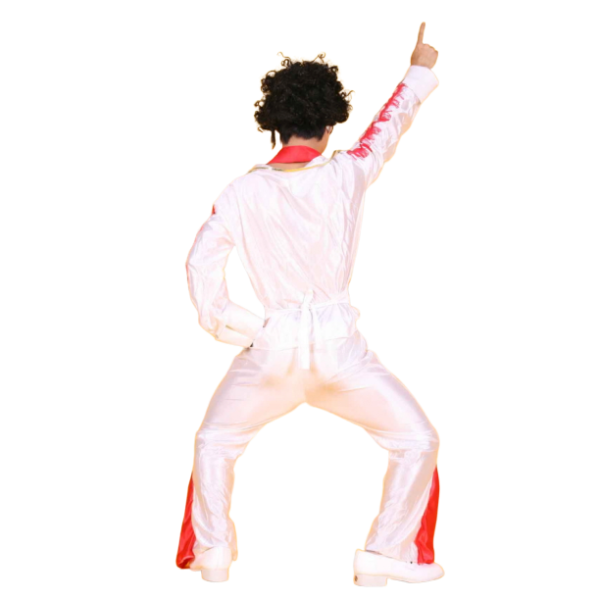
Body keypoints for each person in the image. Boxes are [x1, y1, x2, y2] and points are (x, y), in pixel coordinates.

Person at [177, 22, 443, 587]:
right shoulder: (347, 173)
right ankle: (385, 554)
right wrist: (418, 69)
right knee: (418, 440)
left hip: (271, 350)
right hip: (341, 351)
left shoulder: (239, 192)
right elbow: (387, 127)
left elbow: (199, 266)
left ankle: (214, 555)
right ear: (330, 123)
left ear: (273, 126)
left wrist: (238, 327)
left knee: (214, 443)